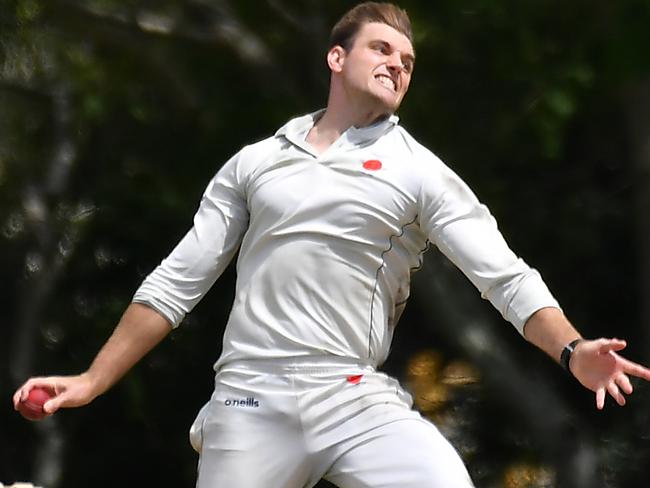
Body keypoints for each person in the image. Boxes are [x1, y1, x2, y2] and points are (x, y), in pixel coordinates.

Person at [13, 2, 650, 487]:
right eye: (382, 49)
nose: (398, 64)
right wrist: (93, 380)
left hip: (351, 393)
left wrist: (572, 350)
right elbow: (178, 282)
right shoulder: (253, 164)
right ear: (336, 59)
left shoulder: (418, 170)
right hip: (247, 397)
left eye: (407, 62)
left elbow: (505, 277)